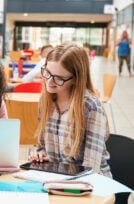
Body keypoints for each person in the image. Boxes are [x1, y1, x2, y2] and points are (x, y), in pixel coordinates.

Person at [29, 43, 112, 177]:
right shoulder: (46, 101)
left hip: (90, 184)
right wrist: (40, 154)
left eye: (59, 78)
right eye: (47, 73)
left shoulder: (91, 107)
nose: (49, 81)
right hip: (56, 177)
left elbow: (92, 168)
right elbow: (43, 146)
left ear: (76, 79)